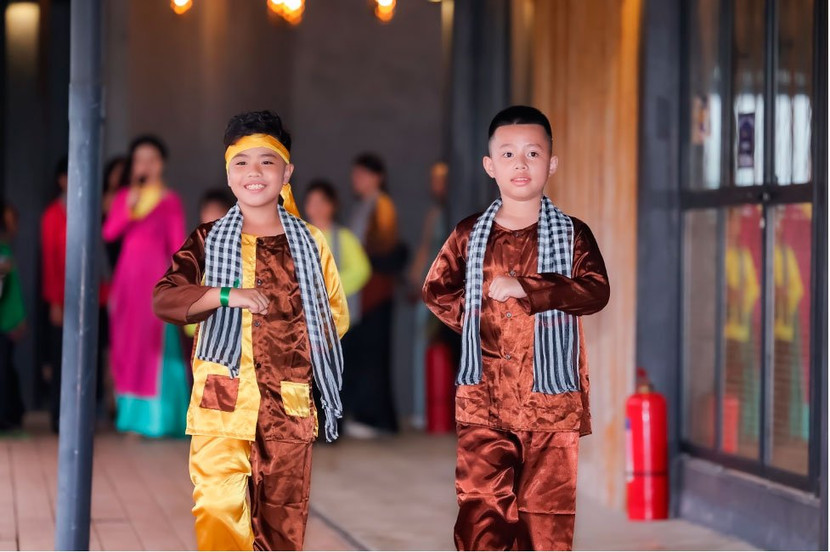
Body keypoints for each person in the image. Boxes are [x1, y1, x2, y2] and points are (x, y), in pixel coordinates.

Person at [153, 110, 348, 551]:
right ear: (228, 173)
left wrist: (296, 349)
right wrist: (224, 295)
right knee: (217, 505)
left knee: (281, 523)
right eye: (241, 162)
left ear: (286, 173)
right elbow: (165, 298)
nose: (254, 172)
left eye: (266, 161)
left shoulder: (310, 242)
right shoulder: (206, 239)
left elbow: (334, 318)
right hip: (222, 398)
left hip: (287, 401)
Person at [422, 105, 610, 550]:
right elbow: (436, 289)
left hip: (550, 402)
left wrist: (528, 288)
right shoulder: (469, 234)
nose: (520, 164)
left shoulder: (573, 234)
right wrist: (476, 319)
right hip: (483, 397)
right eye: (508, 154)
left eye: (532, 153)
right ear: (490, 165)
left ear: (552, 163)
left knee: (545, 519)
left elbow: (595, 291)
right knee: (481, 511)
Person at [103, 135, 188, 438]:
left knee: (155, 345)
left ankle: (160, 418)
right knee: (128, 346)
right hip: (127, 282)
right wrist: (128, 208)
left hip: (156, 282)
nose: (145, 165)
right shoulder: (125, 197)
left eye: (151, 159)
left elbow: (178, 245)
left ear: (161, 164)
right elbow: (109, 233)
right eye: (139, 160)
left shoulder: (169, 200)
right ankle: (131, 418)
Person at [303, 179, 371, 435]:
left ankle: (334, 426)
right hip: (306, 319)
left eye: (322, 202)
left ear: (333, 206)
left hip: (337, 320)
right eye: (312, 202)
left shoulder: (343, 238)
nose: (317, 208)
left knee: (336, 373)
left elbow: (361, 270)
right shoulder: (299, 236)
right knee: (308, 374)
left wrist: (330, 286)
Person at [345, 153, 405, 437]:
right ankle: (368, 415)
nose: (356, 180)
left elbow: (383, 247)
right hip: (362, 293)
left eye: (362, 174)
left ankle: (375, 419)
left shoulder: (381, 205)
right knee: (365, 355)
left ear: (377, 177)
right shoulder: (363, 206)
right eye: (355, 174)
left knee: (374, 357)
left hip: (375, 292)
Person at [406, 161, 459, 428]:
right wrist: (417, 279)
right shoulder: (436, 213)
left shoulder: (460, 211)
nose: (436, 185)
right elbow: (426, 248)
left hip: (454, 290)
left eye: (441, 179)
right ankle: (424, 410)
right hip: (433, 288)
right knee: (424, 344)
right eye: (434, 180)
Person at [0, 198, 26, 433]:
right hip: (4, 323)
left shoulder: (6, 251)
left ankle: (10, 415)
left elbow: (12, 293)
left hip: (8, 322)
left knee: (7, 370)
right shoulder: (3, 253)